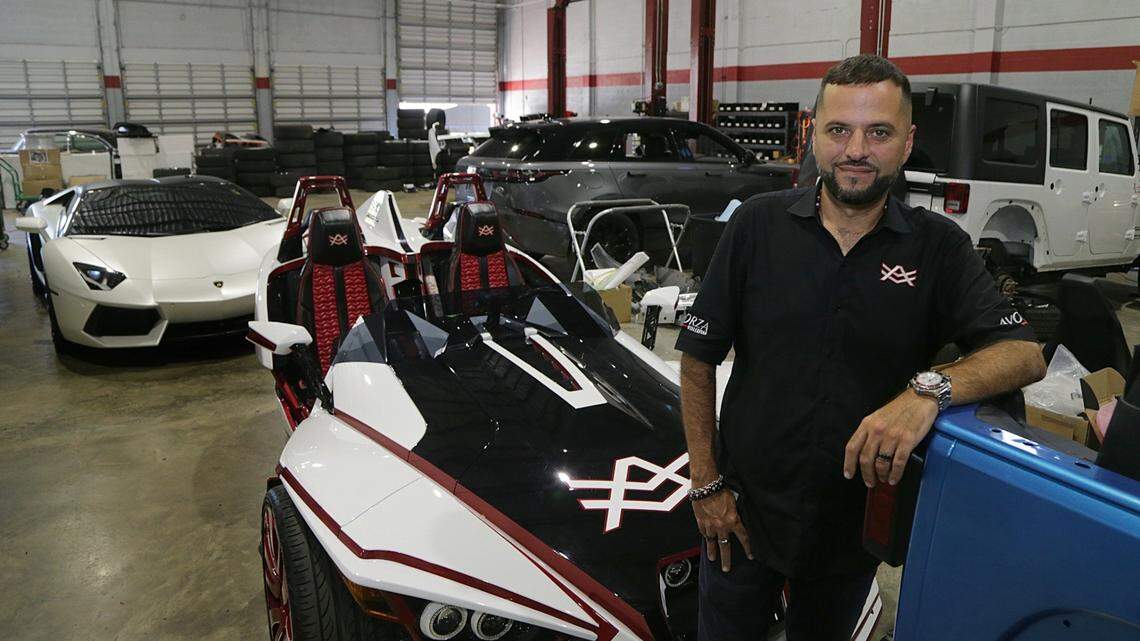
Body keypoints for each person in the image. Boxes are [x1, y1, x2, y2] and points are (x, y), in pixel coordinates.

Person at [675, 54, 1047, 641]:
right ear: (813, 136)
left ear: (907, 143)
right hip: (742, 513)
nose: (856, 149)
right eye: (839, 129)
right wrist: (706, 485)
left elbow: (1024, 353)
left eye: (879, 132)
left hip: (852, 525)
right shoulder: (755, 226)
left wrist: (929, 391)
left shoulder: (939, 248)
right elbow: (696, 359)